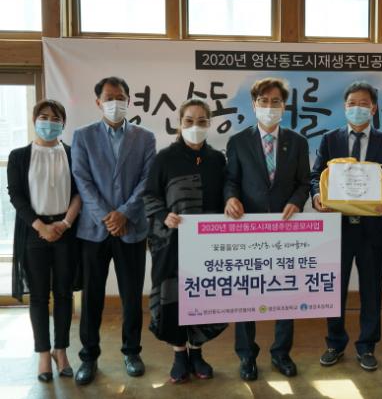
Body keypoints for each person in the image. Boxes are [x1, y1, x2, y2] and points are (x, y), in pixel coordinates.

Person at [311, 81, 382, 372]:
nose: (357, 108)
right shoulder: (330, 140)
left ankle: (367, 346)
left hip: (372, 229)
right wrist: (317, 197)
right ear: (344, 107)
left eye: (364, 104)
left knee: (371, 291)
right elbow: (316, 175)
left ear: (373, 108)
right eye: (352, 103)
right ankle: (335, 343)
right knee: (334, 290)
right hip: (338, 229)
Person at [224, 77, 310, 381]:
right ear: (254, 105)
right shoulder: (238, 142)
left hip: (286, 230)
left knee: (285, 292)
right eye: (264, 101)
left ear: (284, 107)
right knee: (246, 293)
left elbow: (304, 182)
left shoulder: (297, 142)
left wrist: (297, 202)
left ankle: (281, 353)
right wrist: (231, 198)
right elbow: (231, 180)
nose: (269, 107)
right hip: (248, 229)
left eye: (276, 102)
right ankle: (246, 356)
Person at [71, 76, 156, 385]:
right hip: (94, 229)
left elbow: (147, 180)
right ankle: (88, 356)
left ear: (128, 101)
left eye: (120, 97)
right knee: (92, 296)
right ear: (98, 102)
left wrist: (124, 213)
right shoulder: (83, 136)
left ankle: (132, 351)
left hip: (131, 228)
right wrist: (107, 216)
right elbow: (82, 179)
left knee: (132, 295)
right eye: (109, 98)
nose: (115, 102)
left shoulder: (145, 137)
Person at [144, 98, 228, 383]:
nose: (195, 126)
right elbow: (150, 195)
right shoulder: (164, 158)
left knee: (203, 295)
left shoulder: (217, 159)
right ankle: (179, 354)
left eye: (202, 121)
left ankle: (197, 352)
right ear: (179, 124)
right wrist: (163, 215)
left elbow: (225, 195)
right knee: (173, 297)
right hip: (171, 243)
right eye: (189, 120)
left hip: (207, 245)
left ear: (209, 124)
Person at [7, 100, 82, 382]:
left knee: (63, 293)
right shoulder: (19, 156)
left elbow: (80, 192)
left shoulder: (73, 154)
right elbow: (16, 195)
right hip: (34, 231)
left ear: (63, 123)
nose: (49, 122)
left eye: (55, 118)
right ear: (34, 120)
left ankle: (61, 351)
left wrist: (64, 223)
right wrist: (41, 227)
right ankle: (42, 353)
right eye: (43, 117)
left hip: (65, 230)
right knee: (38, 296)